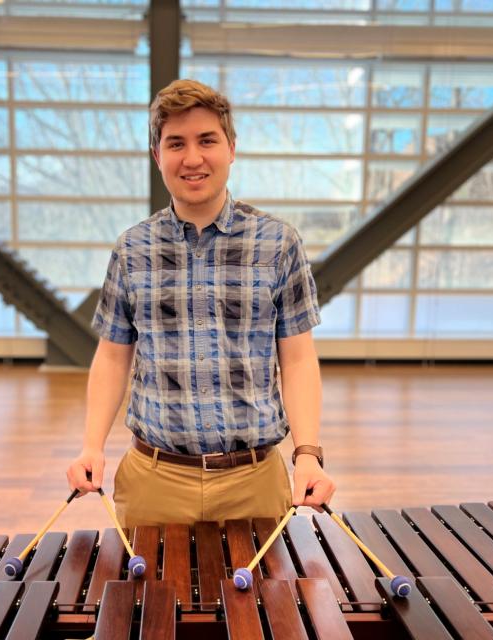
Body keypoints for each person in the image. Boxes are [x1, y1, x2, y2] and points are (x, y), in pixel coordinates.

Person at [66, 79, 335, 527]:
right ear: (158, 157)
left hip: (255, 479)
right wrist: (91, 447)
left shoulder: (279, 243)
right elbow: (113, 357)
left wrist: (307, 453)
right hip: (154, 480)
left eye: (207, 140)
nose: (192, 158)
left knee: (262, 600)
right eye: (176, 144)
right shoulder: (131, 250)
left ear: (231, 148)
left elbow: (299, 359)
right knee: (146, 599)